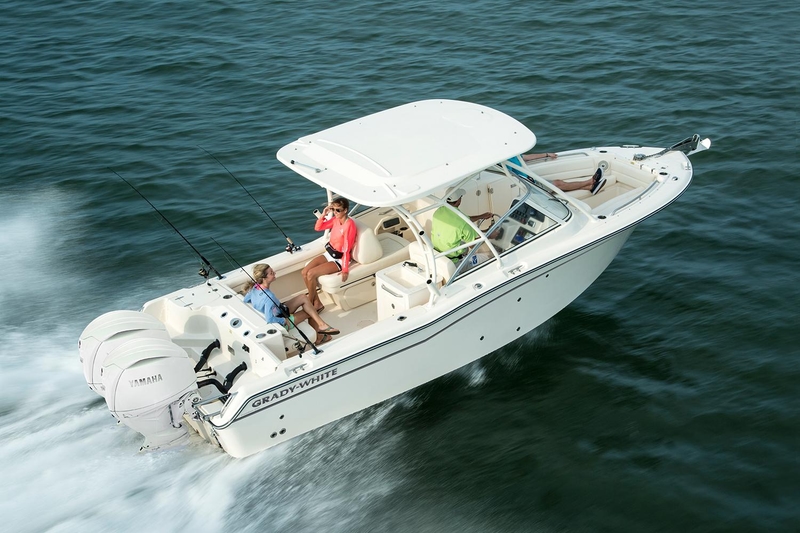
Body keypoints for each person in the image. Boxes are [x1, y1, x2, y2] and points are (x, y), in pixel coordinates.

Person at [243, 264, 340, 345]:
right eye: (271, 273)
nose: (274, 273)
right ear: (264, 278)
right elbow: (270, 320)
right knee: (311, 311)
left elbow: (245, 300)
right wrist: (284, 321)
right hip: (282, 321)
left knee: (303, 297)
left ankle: (322, 325)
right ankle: (319, 337)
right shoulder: (268, 297)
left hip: (279, 309)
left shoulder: (254, 287)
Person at [301, 196, 357, 312]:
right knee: (304, 272)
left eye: (338, 210)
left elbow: (347, 249)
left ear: (345, 210)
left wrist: (345, 269)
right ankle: (317, 303)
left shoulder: (349, 225)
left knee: (311, 274)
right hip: (330, 253)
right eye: (333, 209)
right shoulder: (335, 220)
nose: (335, 212)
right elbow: (318, 227)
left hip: (340, 259)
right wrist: (324, 214)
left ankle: (309, 303)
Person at [430, 187, 495, 263]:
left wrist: (481, 216)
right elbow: (472, 245)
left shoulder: (439, 211)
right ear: (458, 200)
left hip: (438, 255)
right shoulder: (463, 222)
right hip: (454, 261)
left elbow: (463, 220)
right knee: (488, 258)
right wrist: (489, 235)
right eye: (461, 197)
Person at [522, 152, 606, 195]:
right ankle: (590, 182)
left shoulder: (515, 155)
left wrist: (547, 154)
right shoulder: (511, 157)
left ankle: (590, 187)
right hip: (527, 185)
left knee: (558, 184)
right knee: (558, 184)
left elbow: (528, 157)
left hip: (532, 180)